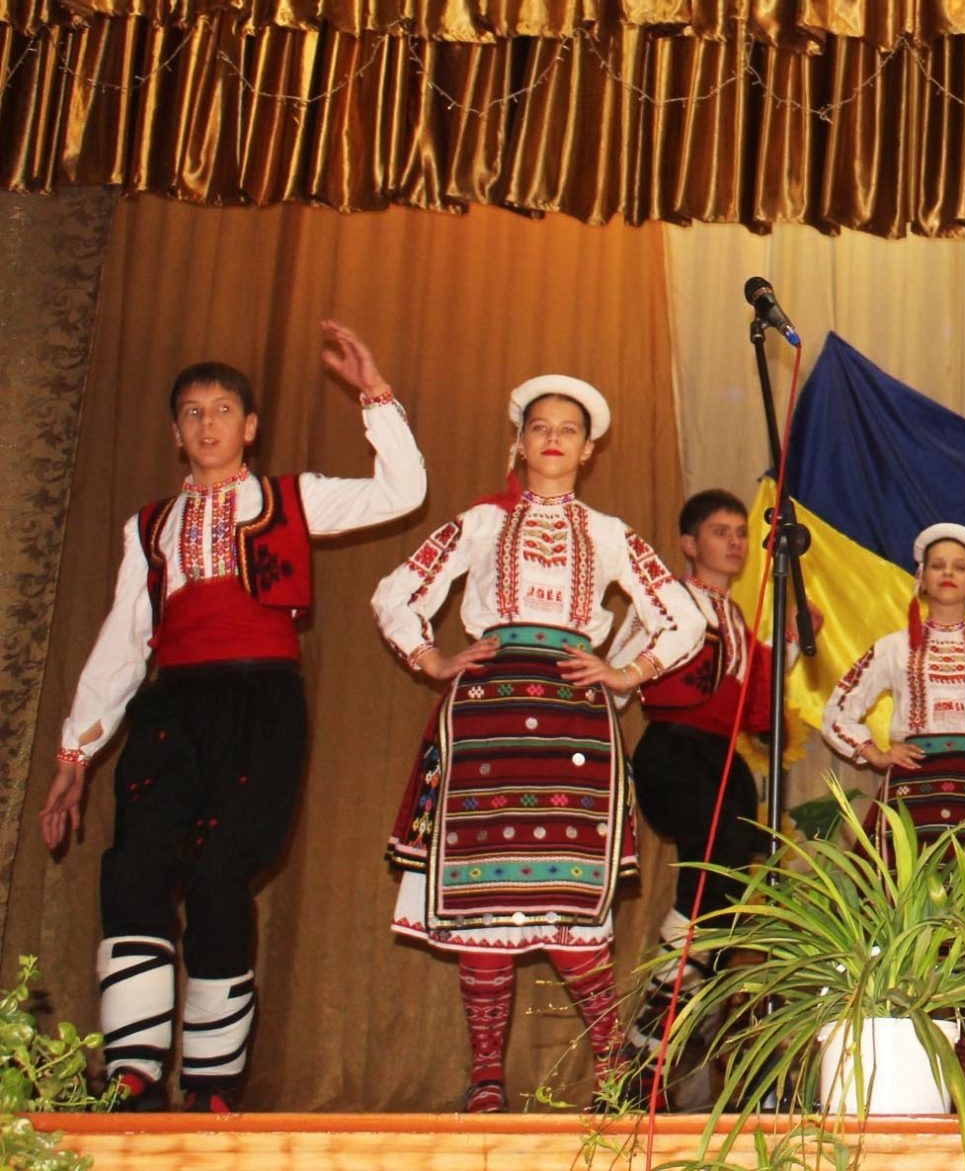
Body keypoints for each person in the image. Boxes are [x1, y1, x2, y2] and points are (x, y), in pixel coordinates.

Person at [39, 325, 426, 1113]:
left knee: (220, 873)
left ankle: (213, 1085)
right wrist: (75, 755)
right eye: (191, 411)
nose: (207, 422)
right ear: (174, 432)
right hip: (172, 704)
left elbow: (402, 491)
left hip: (261, 703)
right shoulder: (149, 527)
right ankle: (133, 1072)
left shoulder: (291, 498)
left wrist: (374, 393)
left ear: (249, 426)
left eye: (222, 409)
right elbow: (122, 641)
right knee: (136, 866)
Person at [372, 376, 704, 1114]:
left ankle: (616, 1072)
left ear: (588, 451)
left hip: (571, 723)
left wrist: (629, 671)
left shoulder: (609, 533)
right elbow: (397, 591)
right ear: (519, 443)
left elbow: (682, 617)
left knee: (571, 905)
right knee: (483, 903)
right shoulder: (480, 522)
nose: (553, 437)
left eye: (568, 429)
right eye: (539, 426)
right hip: (487, 719)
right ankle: (487, 1079)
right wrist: (430, 658)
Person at [613, 488, 776, 1072]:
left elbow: (756, 716)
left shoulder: (739, 619)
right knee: (713, 870)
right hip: (674, 748)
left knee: (726, 891)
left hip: (722, 758)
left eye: (740, 533)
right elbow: (619, 670)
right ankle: (652, 1036)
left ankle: (652, 1044)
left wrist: (780, 647)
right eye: (719, 532)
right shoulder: (665, 599)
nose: (734, 543)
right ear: (689, 543)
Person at [823, 522, 965, 930]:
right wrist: (875, 754)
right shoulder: (892, 647)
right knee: (904, 900)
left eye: (959, 567)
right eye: (938, 565)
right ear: (921, 578)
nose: (948, 573)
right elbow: (837, 710)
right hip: (911, 785)